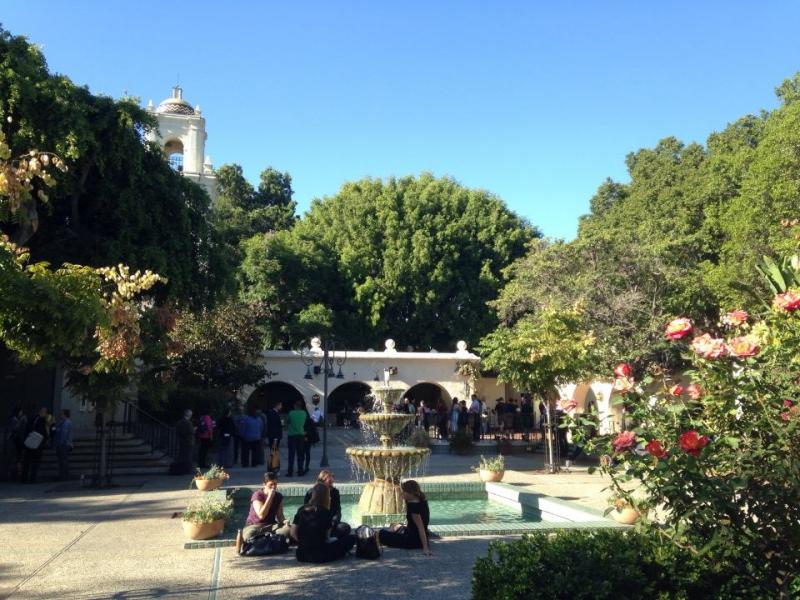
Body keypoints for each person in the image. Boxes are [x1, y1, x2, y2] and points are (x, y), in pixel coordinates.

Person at [293, 483, 356, 563]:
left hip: (301, 554)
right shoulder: (326, 513)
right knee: (351, 538)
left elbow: (292, 532)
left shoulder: (302, 509)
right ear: (326, 497)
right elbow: (327, 537)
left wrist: (303, 542)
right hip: (319, 555)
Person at [379, 480, 433, 555]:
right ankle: (398, 528)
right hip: (412, 533)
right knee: (394, 525)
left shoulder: (414, 508)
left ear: (411, 493)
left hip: (412, 541)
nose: (402, 493)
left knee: (381, 534)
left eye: (404, 492)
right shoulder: (421, 500)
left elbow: (421, 527)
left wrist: (425, 548)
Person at [243, 472, 291, 541]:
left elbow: (280, 515)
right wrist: (270, 497)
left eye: (275, 484)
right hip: (255, 526)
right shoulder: (257, 495)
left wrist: (284, 521)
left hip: (271, 526)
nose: (273, 487)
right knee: (249, 535)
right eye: (270, 485)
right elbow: (261, 515)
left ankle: (267, 539)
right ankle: (269, 539)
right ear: (264, 485)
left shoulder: (278, 496)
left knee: (288, 530)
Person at [303, 470, 350, 537]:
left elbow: (337, 510)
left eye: (332, 482)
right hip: (314, 522)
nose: (331, 485)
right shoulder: (311, 492)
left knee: (345, 528)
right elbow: (305, 510)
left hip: (330, 522)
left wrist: (333, 522)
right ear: (322, 481)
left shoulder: (335, 492)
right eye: (329, 482)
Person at [20, 407, 48, 483]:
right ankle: (32, 479)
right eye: (45, 413)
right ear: (42, 413)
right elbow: (43, 432)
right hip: (37, 444)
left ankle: (24, 478)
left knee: (27, 462)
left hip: (29, 443)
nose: (46, 414)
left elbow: (27, 429)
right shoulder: (42, 421)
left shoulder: (33, 419)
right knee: (35, 462)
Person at [285, 400, 306, 476]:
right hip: (301, 435)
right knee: (300, 454)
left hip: (292, 435)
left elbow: (287, 422)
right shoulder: (304, 413)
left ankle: (290, 471)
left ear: (295, 406)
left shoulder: (291, 413)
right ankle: (300, 471)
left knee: (291, 454)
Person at [171, 409, 195, 475]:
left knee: (182, 456)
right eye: (191, 414)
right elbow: (191, 432)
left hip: (182, 441)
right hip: (189, 441)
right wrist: (194, 429)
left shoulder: (179, 422)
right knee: (188, 456)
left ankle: (182, 469)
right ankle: (188, 470)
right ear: (189, 415)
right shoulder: (188, 423)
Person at [53, 409, 73, 481]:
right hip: (65, 444)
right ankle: (64, 475)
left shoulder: (66, 423)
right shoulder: (63, 422)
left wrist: (60, 443)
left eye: (61, 414)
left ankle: (63, 476)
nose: (60, 415)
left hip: (64, 444)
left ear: (64, 414)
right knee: (63, 460)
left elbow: (63, 434)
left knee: (63, 461)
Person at [302, 406, 319, 475]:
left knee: (303, 453)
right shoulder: (310, 420)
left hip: (304, 438)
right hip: (308, 438)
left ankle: (304, 466)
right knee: (307, 453)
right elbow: (313, 430)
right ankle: (306, 466)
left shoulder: (305, 419)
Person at [266, 402, 283, 469]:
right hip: (274, 436)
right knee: (274, 451)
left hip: (273, 435)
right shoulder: (273, 413)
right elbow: (274, 425)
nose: (281, 407)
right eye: (280, 405)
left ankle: (273, 466)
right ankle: (273, 466)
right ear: (277, 405)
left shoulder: (273, 413)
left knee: (274, 451)